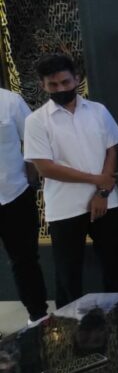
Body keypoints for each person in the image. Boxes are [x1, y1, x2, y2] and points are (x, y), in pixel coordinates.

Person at [23, 54, 118, 308]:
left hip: (107, 201)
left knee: (114, 266)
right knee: (68, 274)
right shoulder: (36, 121)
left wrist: (102, 192)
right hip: (65, 207)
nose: (61, 89)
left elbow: (112, 150)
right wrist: (97, 179)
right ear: (43, 85)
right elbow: (46, 168)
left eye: (65, 82)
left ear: (77, 79)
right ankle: (70, 324)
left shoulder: (98, 110)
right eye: (53, 84)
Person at [0, 86, 48, 325]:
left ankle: (37, 318)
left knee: (25, 260)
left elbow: (32, 142)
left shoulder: (10, 102)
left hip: (15, 194)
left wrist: (30, 181)